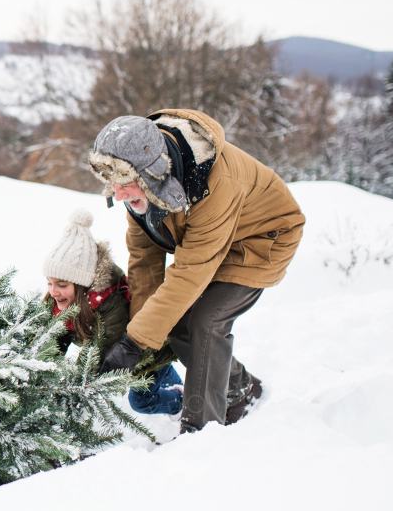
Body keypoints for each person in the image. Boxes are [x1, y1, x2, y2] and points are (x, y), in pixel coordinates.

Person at [89, 109, 305, 432]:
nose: (117, 195)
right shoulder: (142, 190)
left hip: (262, 240)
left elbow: (189, 276)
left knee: (207, 320)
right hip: (214, 241)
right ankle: (241, 387)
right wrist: (141, 337)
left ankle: (200, 432)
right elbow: (144, 264)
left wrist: (133, 343)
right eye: (112, 183)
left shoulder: (212, 185)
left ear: (152, 173)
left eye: (125, 183)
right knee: (171, 321)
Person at [43, 207, 183, 418]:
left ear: (83, 285)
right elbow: (49, 336)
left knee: (143, 401)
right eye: (50, 283)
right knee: (162, 373)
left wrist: (67, 385)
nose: (53, 292)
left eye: (61, 284)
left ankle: (181, 401)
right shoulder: (60, 301)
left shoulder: (110, 308)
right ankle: (173, 381)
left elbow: (96, 358)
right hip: (126, 357)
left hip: (143, 353)